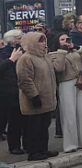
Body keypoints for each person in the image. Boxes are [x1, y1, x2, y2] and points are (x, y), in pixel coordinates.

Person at [49, 31, 82, 153]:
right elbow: (58, 68)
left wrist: (78, 49)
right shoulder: (53, 54)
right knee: (69, 114)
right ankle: (71, 144)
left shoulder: (76, 51)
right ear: (57, 42)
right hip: (66, 83)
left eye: (67, 39)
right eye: (62, 39)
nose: (66, 41)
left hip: (81, 81)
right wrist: (62, 52)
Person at [16, 32, 58, 161]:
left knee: (44, 126)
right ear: (32, 43)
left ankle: (43, 149)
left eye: (44, 40)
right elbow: (25, 79)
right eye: (40, 41)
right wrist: (34, 95)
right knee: (34, 127)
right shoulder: (26, 58)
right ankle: (34, 152)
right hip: (35, 99)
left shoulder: (44, 56)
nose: (43, 43)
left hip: (47, 98)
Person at [0, 41, 24, 155]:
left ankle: (17, 146)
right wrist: (11, 60)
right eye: (19, 38)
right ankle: (14, 146)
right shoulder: (6, 54)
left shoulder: (20, 52)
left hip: (17, 90)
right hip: (5, 93)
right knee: (9, 121)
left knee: (17, 121)